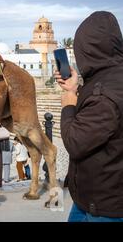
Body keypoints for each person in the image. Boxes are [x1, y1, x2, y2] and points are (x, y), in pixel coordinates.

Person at [55, 11, 123, 222]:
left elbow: (75, 141)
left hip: (103, 207)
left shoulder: (103, 95)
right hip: (92, 199)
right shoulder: (110, 79)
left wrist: (68, 102)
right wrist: (76, 87)